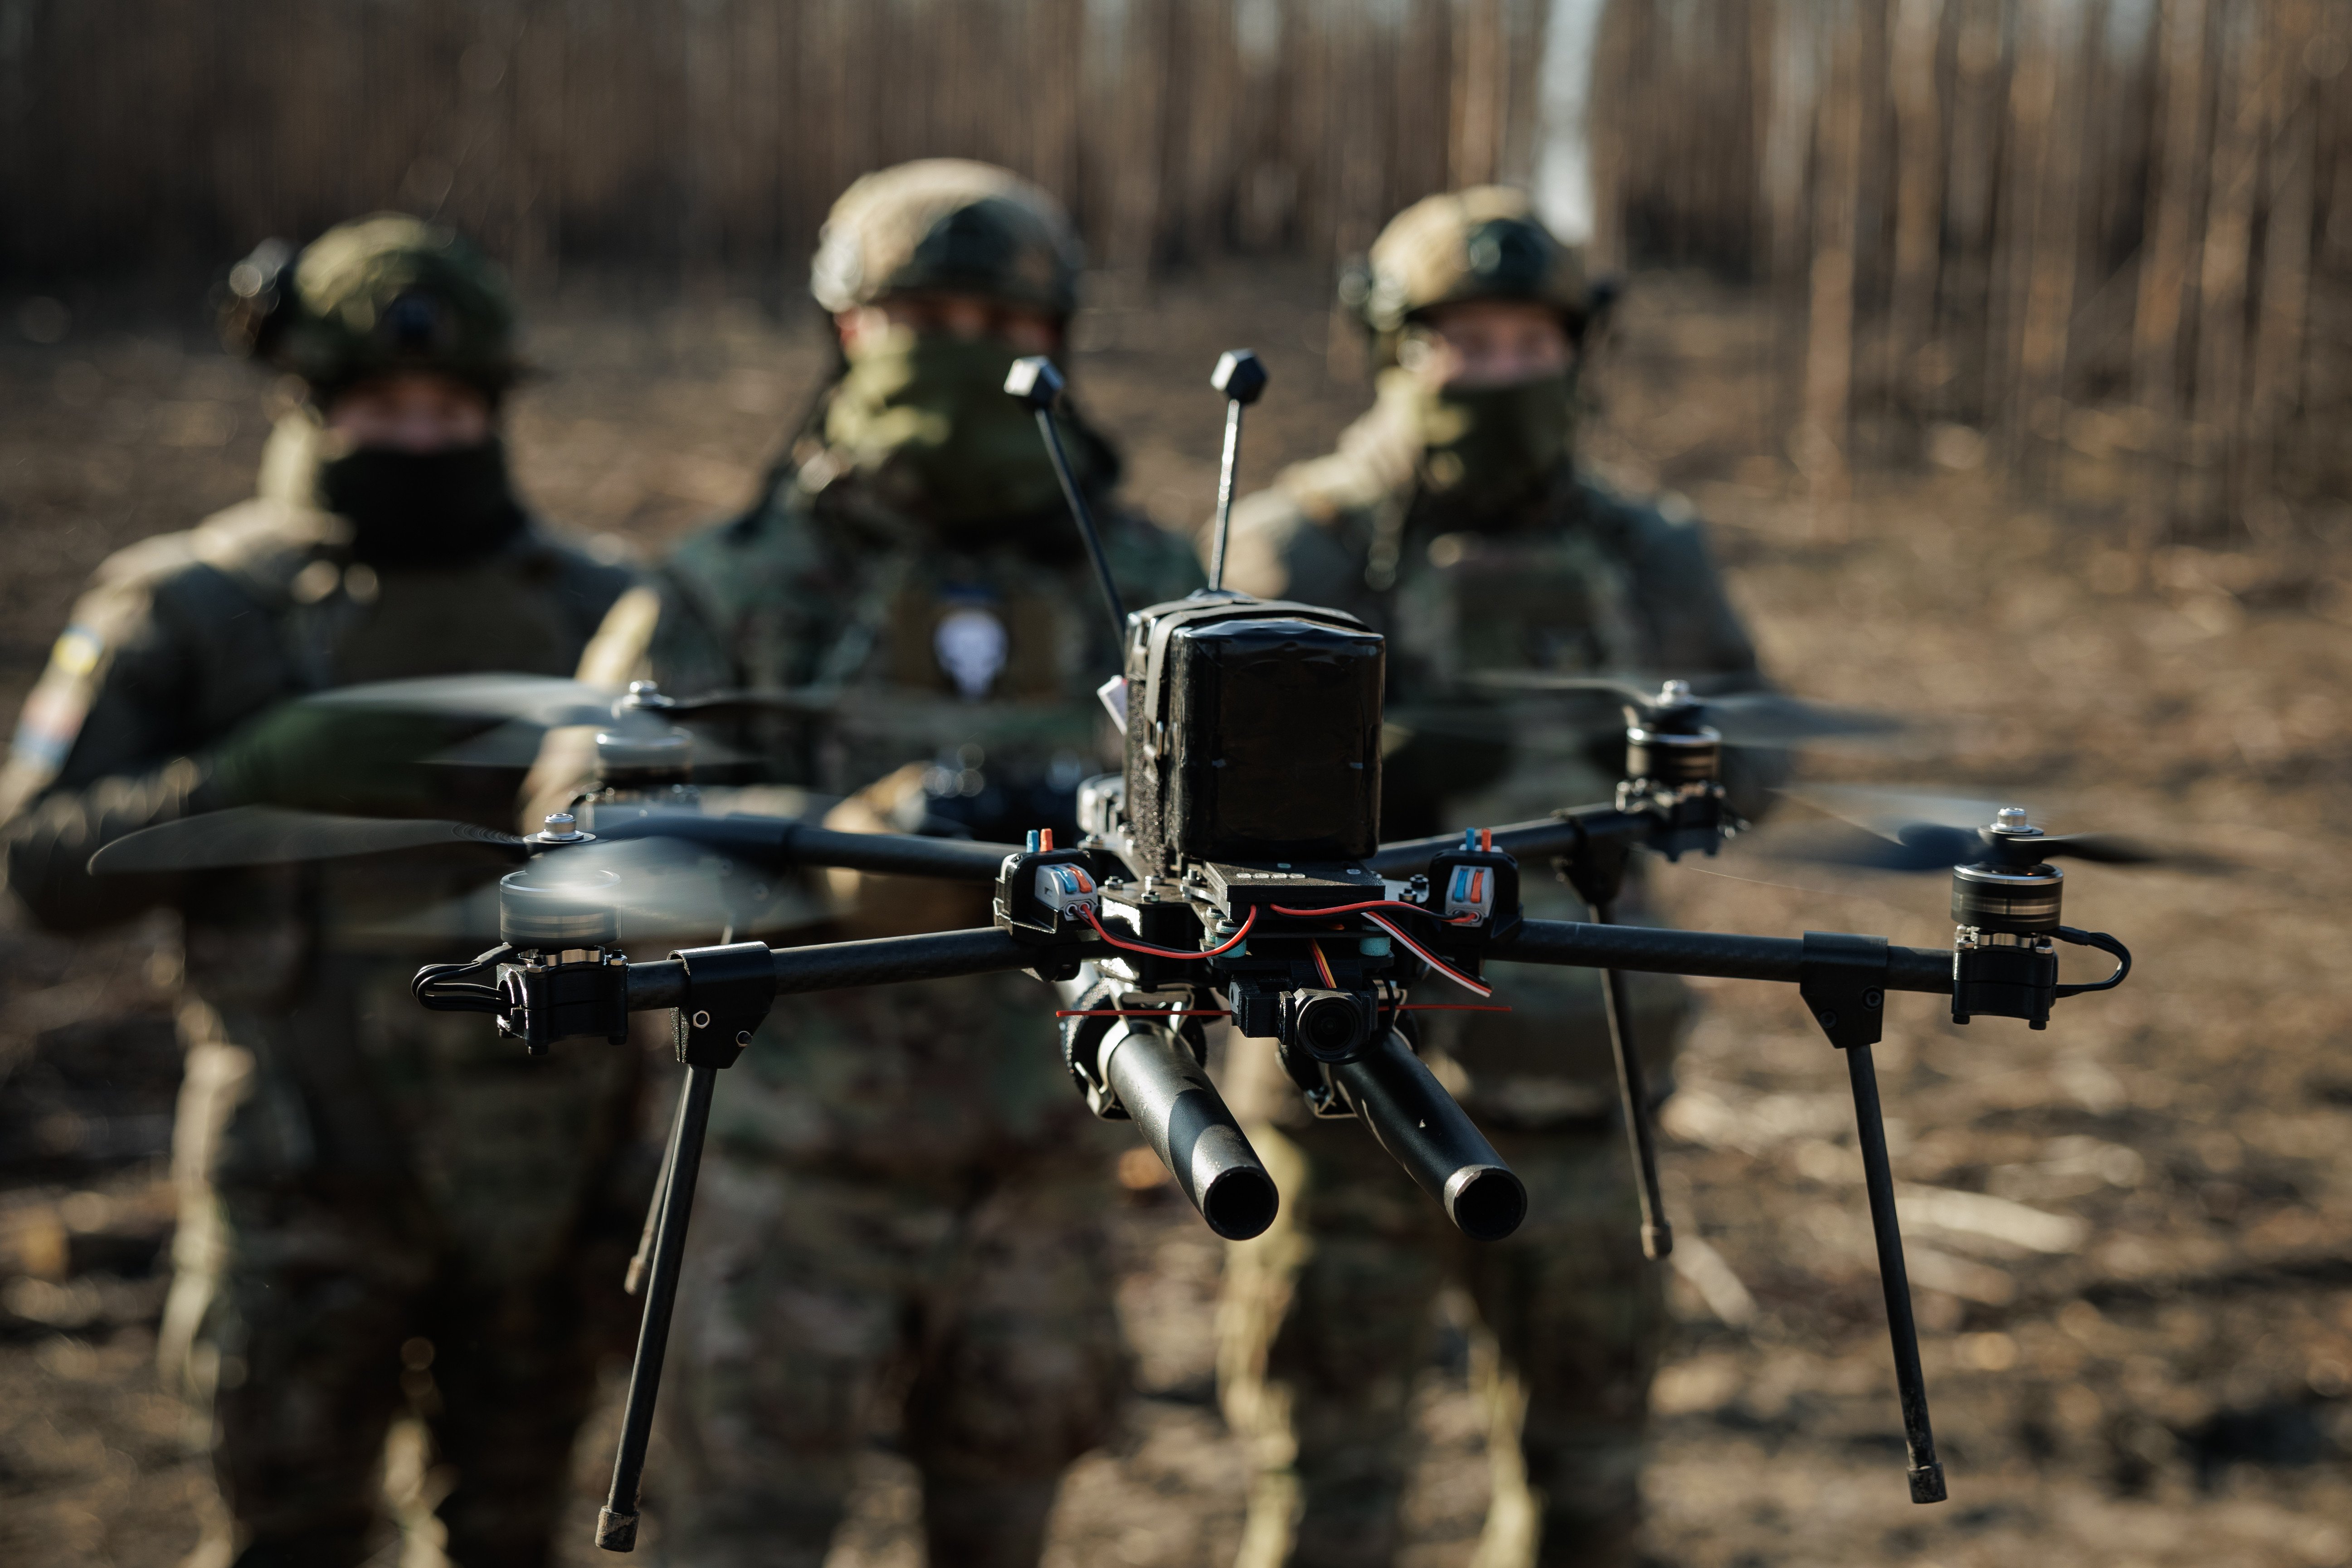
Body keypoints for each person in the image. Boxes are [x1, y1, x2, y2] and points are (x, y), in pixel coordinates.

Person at [567, 159, 1203, 1566]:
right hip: (790, 1184)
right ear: (848, 329)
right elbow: (584, 843)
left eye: (999, 323)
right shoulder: (727, 585)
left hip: (1040, 1180)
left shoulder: (1147, 583)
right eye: (922, 320)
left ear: (1054, 342)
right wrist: (847, 851)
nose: (963, 352)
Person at [0, 214, 641, 1567]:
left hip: (538, 1185)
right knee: (286, 1534)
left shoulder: (601, 607)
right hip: (295, 1178)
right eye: (380, 407)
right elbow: (45, 862)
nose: (418, 437)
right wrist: (242, 779)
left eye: (449, 409)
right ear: (306, 400)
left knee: (511, 1535)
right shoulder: (189, 605)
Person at [1212, 186, 1775, 1568]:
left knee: (1587, 1499)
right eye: (1463, 343)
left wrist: (1630, 759)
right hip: (1341, 1101)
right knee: (1326, 1498)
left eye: (1530, 343)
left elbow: (1751, 755)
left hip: (1581, 1097)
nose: (1498, 373)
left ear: (1578, 348)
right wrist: (1405, 764)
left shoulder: (1645, 547)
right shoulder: (1303, 537)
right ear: (1395, 347)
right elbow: (1220, 795)